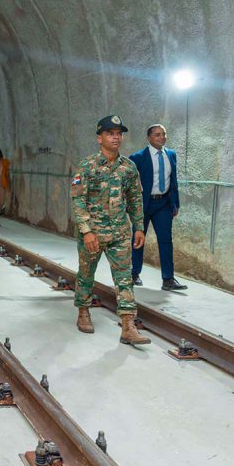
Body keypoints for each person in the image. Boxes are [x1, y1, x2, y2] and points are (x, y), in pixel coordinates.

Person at [70, 115, 149, 345]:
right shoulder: (87, 166)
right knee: (86, 275)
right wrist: (86, 231)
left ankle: (128, 325)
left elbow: (135, 198)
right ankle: (83, 311)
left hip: (120, 234)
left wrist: (139, 227)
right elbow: (78, 200)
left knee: (125, 278)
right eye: (110, 133)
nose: (116, 137)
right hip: (93, 234)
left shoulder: (128, 167)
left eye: (118, 133)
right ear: (99, 138)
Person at [129, 124, 187, 291]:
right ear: (149, 138)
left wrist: (175, 204)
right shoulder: (138, 157)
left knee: (166, 241)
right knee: (138, 239)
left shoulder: (171, 155)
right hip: (143, 204)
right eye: (157, 135)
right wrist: (131, 205)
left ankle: (168, 279)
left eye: (164, 134)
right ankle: (134, 273)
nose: (162, 137)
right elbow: (129, 184)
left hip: (163, 204)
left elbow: (173, 181)